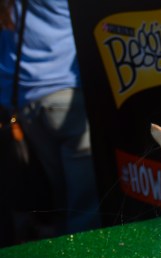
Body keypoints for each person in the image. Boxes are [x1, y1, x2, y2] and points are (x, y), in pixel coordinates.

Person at [0, 0, 101, 245]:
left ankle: (59, 252)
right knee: (83, 201)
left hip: (26, 99)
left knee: (62, 194)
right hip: (67, 93)